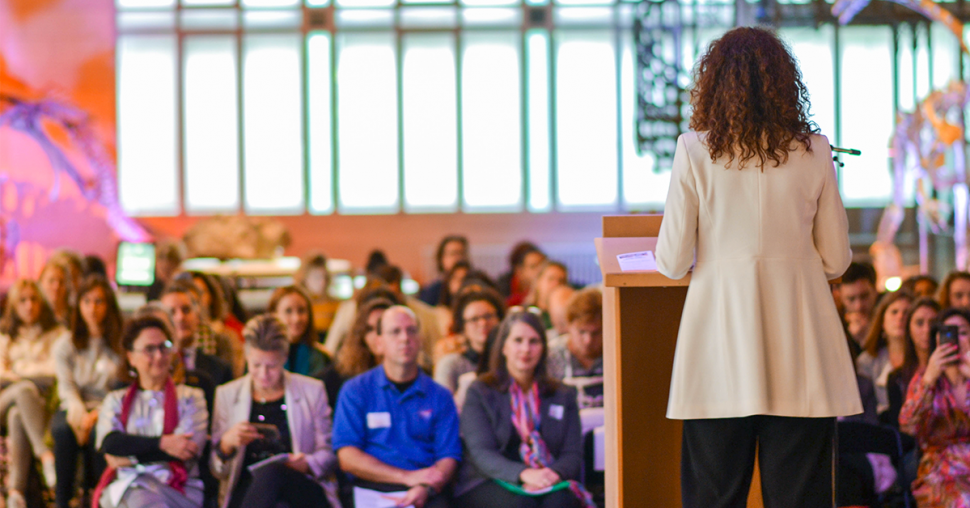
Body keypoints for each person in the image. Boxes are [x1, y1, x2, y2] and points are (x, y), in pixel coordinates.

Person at [653, 27, 861, 507]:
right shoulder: (815, 150)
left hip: (717, 348)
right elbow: (835, 258)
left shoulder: (694, 150)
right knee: (801, 497)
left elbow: (671, 261)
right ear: (785, 83)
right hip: (800, 344)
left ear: (713, 82)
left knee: (714, 496)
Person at [455, 310, 591, 508]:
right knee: (522, 503)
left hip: (548, 477)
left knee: (561, 501)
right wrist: (524, 475)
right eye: (518, 340)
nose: (526, 349)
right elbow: (482, 453)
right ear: (504, 347)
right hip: (489, 479)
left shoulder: (563, 394)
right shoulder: (481, 391)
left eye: (534, 341)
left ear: (544, 348)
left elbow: (572, 454)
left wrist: (550, 475)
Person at [332, 306, 461, 508]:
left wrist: (426, 488)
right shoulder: (355, 390)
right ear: (379, 343)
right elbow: (347, 457)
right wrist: (405, 477)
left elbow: (448, 457)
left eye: (411, 330)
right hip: (371, 489)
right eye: (395, 332)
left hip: (426, 488)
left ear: (419, 339)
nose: (404, 338)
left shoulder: (440, 396)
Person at [210, 315, 340, 508]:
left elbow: (329, 454)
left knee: (273, 473)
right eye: (256, 365)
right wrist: (226, 445)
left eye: (271, 366)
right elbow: (216, 469)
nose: (263, 374)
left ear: (284, 359)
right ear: (246, 358)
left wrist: (306, 464)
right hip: (249, 490)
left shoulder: (312, 391)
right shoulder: (227, 395)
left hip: (300, 488)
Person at [92, 312, 208, 508]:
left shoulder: (191, 397)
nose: (159, 356)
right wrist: (163, 443)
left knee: (143, 498)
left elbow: (186, 448)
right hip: (127, 486)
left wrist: (129, 455)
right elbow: (111, 443)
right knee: (139, 495)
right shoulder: (116, 400)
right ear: (131, 357)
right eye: (149, 349)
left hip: (179, 488)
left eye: (164, 347)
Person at [52, 276, 125, 508]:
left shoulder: (121, 342)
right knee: (62, 431)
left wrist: (97, 414)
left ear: (109, 305)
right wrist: (81, 416)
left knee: (100, 435)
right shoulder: (66, 344)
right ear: (78, 305)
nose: (92, 308)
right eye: (86, 301)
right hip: (75, 406)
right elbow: (67, 388)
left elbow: (122, 388)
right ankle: (62, 499)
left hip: (109, 407)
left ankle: (97, 499)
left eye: (99, 301)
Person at [0, 279, 67, 506]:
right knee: (25, 390)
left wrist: (18, 370)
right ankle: (45, 455)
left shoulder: (56, 334)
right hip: (3, 399)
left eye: (34, 299)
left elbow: (55, 372)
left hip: (37, 405)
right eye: (23, 300)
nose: (29, 305)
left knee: (18, 415)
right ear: (14, 305)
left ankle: (15, 493)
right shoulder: (5, 335)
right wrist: (29, 374)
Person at [899, 307, 970, 506]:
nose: (956, 340)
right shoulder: (925, 379)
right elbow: (908, 425)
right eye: (948, 333)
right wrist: (929, 378)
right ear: (937, 341)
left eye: (963, 332)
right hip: (941, 472)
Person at [160, 281, 234, 398]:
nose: (180, 317)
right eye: (172, 312)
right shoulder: (151, 366)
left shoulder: (220, 369)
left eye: (186, 310)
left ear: (197, 316)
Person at [320, 298, 394, 411]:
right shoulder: (341, 377)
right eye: (370, 329)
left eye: (381, 328)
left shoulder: (415, 375)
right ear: (361, 335)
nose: (376, 335)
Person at [434, 288, 505, 397]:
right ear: (463, 327)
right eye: (474, 319)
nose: (483, 323)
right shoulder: (451, 365)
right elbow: (443, 408)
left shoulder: (510, 361)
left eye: (488, 316)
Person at [856, 290, 914, 416]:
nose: (900, 317)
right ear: (882, 321)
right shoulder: (867, 361)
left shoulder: (922, 357)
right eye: (894, 312)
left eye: (907, 313)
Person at [886, 297, 941, 429]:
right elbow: (903, 429)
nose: (927, 330)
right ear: (908, 328)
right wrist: (928, 381)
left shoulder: (953, 370)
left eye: (933, 323)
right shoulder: (897, 378)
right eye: (919, 323)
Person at [547, 289, 603, 408]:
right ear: (569, 326)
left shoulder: (615, 356)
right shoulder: (552, 357)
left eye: (596, 333)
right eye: (581, 332)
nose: (588, 340)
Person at [181, 271, 245, 376]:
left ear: (212, 296)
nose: (195, 299)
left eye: (200, 293)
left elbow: (234, 377)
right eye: (189, 293)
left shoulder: (226, 337)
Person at [266, 285, 332, 377]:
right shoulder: (262, 356)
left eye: (301, 310)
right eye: (288, 311)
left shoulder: (321, 356)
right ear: (274, 315)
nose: (296, 318)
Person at [295, 252, 341, 339]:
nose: (322, 282)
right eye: (317, 277)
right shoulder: (298, 305)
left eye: (324, 277)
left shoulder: (335, 305)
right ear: (305, 278)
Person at [420, 235, 470, 307]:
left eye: (461, 253)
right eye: (453, 254)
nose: (458, 258)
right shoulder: (431, 291)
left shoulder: (477, 285)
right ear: (441, 259)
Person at [840, 262, 879, 348]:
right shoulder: (835, 326)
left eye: (864, 296)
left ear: (875, 291)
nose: (859, 306)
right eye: (851, 299)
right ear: (841, 297)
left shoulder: (889, 318)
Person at [523, 261, 568, 330]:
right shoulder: (525, 313)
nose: (556, 284)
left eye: (561, 281)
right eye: (551, 279)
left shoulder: (566, 317)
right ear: (538, 281)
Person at [498, 242, 546, 307]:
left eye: (542, 265)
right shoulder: (502, 293)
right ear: (519, 271)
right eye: (533, 266)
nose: (539, 270)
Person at [39, 257, 74, 326]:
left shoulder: (75, 316)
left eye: (61, 282)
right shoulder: (34, 315)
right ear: (41, 282)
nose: (56, 287)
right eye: (51, 281)